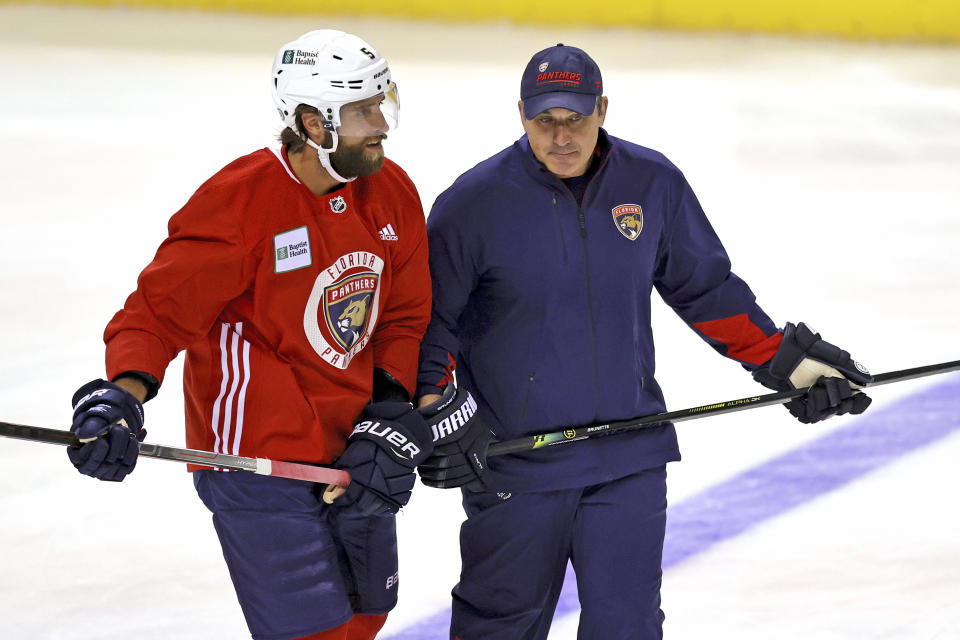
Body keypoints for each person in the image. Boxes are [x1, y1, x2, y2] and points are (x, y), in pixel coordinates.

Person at [414, 44, 872, 639]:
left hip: (628, 453)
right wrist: (436, 407)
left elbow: (705, 289)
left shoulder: (651, 183)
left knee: (627, 627)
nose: (560, 136)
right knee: (498, 626)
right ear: (520, 113)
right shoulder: (471, 206)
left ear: (602, 109)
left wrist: (786, 364)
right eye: (544, 120)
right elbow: (427, 327)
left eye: (575, 118)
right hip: (515, 466)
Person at [66, 29, 440, 640]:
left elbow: (403, 317)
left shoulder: (390, 191)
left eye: (382, 104)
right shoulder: (241, 201)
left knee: (367, 616)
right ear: (312, 123)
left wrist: (390, 410)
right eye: (361, 111)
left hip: (351, 447)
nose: (381, 123)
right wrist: (122, 393)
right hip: (255, 459)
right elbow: (157, 311)